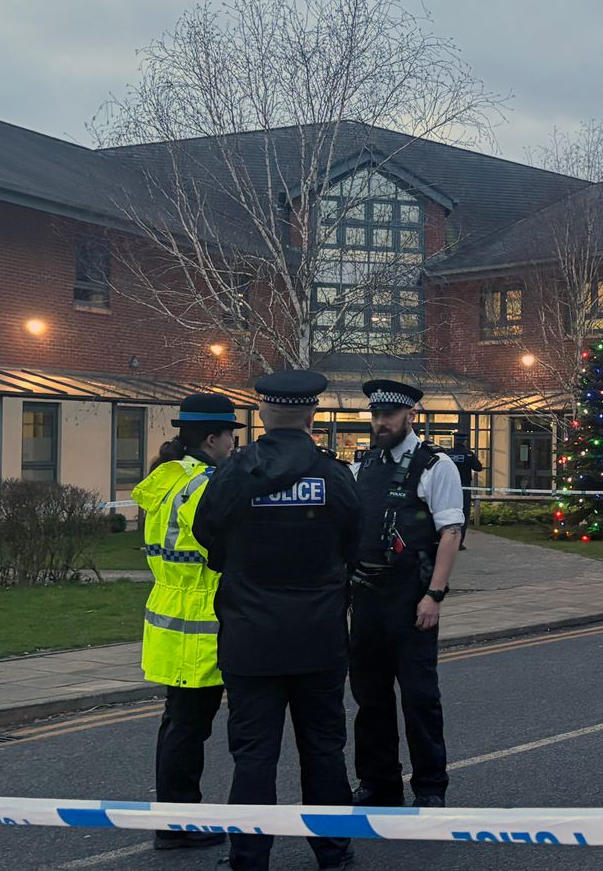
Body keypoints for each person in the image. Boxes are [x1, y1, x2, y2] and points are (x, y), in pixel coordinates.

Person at [192, 370, 361, 871]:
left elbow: (207, 536)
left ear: (262, 413)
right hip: (318, 637)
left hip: (251, 638)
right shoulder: (334, 476)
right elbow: (354, 543)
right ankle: (333, 851)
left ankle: (248, 857)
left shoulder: (233, 473)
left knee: (254, 756)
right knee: (324, 750)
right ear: (312, 414)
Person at [130, 393, 243, 852]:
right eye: (231, 436)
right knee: (190, 729)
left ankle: (174, 818)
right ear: (212, 439)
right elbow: (227, 549)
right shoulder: (204, 486)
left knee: (179, 724)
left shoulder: (170, 477)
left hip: (171, 614)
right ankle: (178, 824)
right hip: (202, 618)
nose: (234, 445)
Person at [348, 380, 464, 809]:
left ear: (410, 416)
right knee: (370, 700)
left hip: (411, 599)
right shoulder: (363, 466)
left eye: (389, 415)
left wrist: (435, 594)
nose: (381, 423)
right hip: (367, 600)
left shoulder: (436, 465)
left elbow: (451, 532)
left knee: (419, 699)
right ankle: (379, 784)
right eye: (376, 415)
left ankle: (430, 787)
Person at [444, 431, 484, 550]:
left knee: (448, 514)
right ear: (465, 441)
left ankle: (446, 540)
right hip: (464, 488)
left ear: (455, 440)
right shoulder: (468, 454)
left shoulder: (447, 454)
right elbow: (478, 467)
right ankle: (458, 542)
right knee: (463, 515)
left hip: (449, 488)